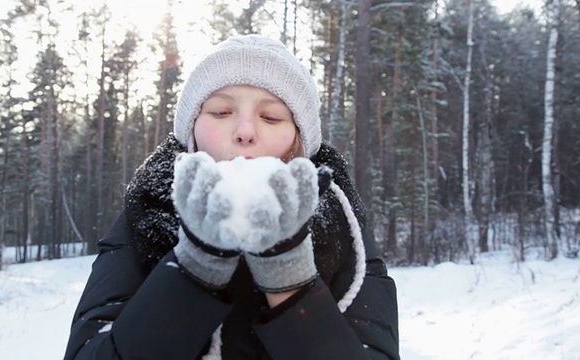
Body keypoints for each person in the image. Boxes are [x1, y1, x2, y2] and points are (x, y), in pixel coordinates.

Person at [64, 34, 399, 360]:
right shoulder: (146, 213)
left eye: (270, 117)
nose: (245, 132)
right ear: (191, 130)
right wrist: (196, 264)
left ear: (300, 141)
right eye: (221, 112)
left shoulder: (343, 227)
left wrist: (288, 274)